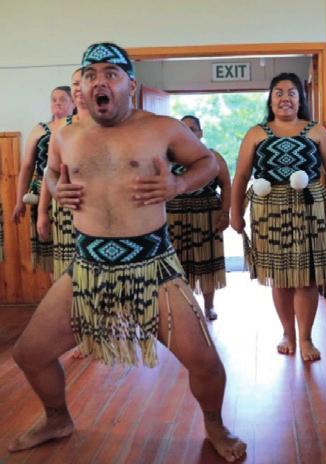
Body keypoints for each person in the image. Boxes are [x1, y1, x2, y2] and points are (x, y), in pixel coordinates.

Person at [9, 43, 246, 462]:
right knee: (29, 354)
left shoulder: (163, 127)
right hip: (86, 268)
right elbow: (49, 171)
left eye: (111, 74)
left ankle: (214, 424)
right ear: (81, 84)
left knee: (206, 363)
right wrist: (53, 188)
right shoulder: (65, 135)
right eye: (91, 74)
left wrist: (176, 186)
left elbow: (207, 163)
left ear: (130, 85)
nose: (100, 81)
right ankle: (57, 416)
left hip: (153, 267)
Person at [231, 72, 326, 361]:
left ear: (300, 99)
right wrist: (235, 212)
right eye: (278, 92)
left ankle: (305, 337)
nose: (285, 98)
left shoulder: (315, 130)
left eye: (292, 92)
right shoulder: (256, 132)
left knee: (306, 278)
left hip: (309, 209)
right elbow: (242, 175)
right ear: (270, 98)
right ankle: (287, 333)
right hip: (268, 211)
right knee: (280, 278)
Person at [167, 115, 231, 321]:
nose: (188, 133)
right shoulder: (165, 159)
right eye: (183, 129)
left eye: (193, 129)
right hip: (173, 217)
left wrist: (225, 212)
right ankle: (182, 308)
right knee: (176, 264)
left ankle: (209, 306)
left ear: (201, 133)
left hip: (207, 216)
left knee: (207, 261)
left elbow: (226, 185)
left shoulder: (212, 157)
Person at [12, 85, 75, 271]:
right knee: (50, 252)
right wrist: (19, 201)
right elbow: (26, 167)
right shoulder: (40, 129)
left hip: (69, 192)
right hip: (40, 193)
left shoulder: (78, 127)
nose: (57, 103)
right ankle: (56, 292)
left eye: (63, 99)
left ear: (73, 103)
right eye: (53, 99)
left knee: (72, 249)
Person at [37, 68, 90, 280]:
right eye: (75, 83)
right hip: (66, 211)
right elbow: (49, 172)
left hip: (99, 213)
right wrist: (42, 211)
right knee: (67, 274)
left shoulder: (112, 123)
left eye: (83, 82)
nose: (79, 88)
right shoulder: (61, 130)